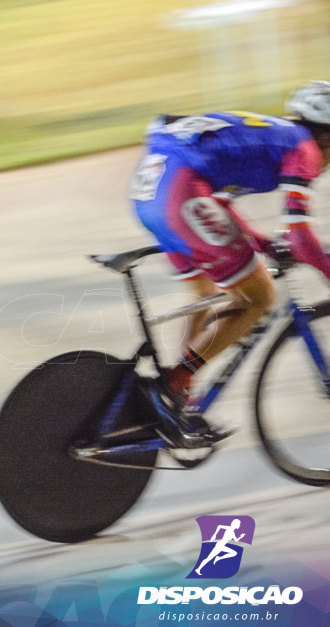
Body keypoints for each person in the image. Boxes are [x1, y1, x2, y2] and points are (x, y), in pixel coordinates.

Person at [129, 81, 330, 449]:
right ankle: (173, 384)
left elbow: (218, 201)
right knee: (258, 296)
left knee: (206, 291)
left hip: (152, 189)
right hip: (180, 191)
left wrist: (263, 243)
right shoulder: (304, 148)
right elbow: (301, 239)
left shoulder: (275, 135)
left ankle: (176, 400)